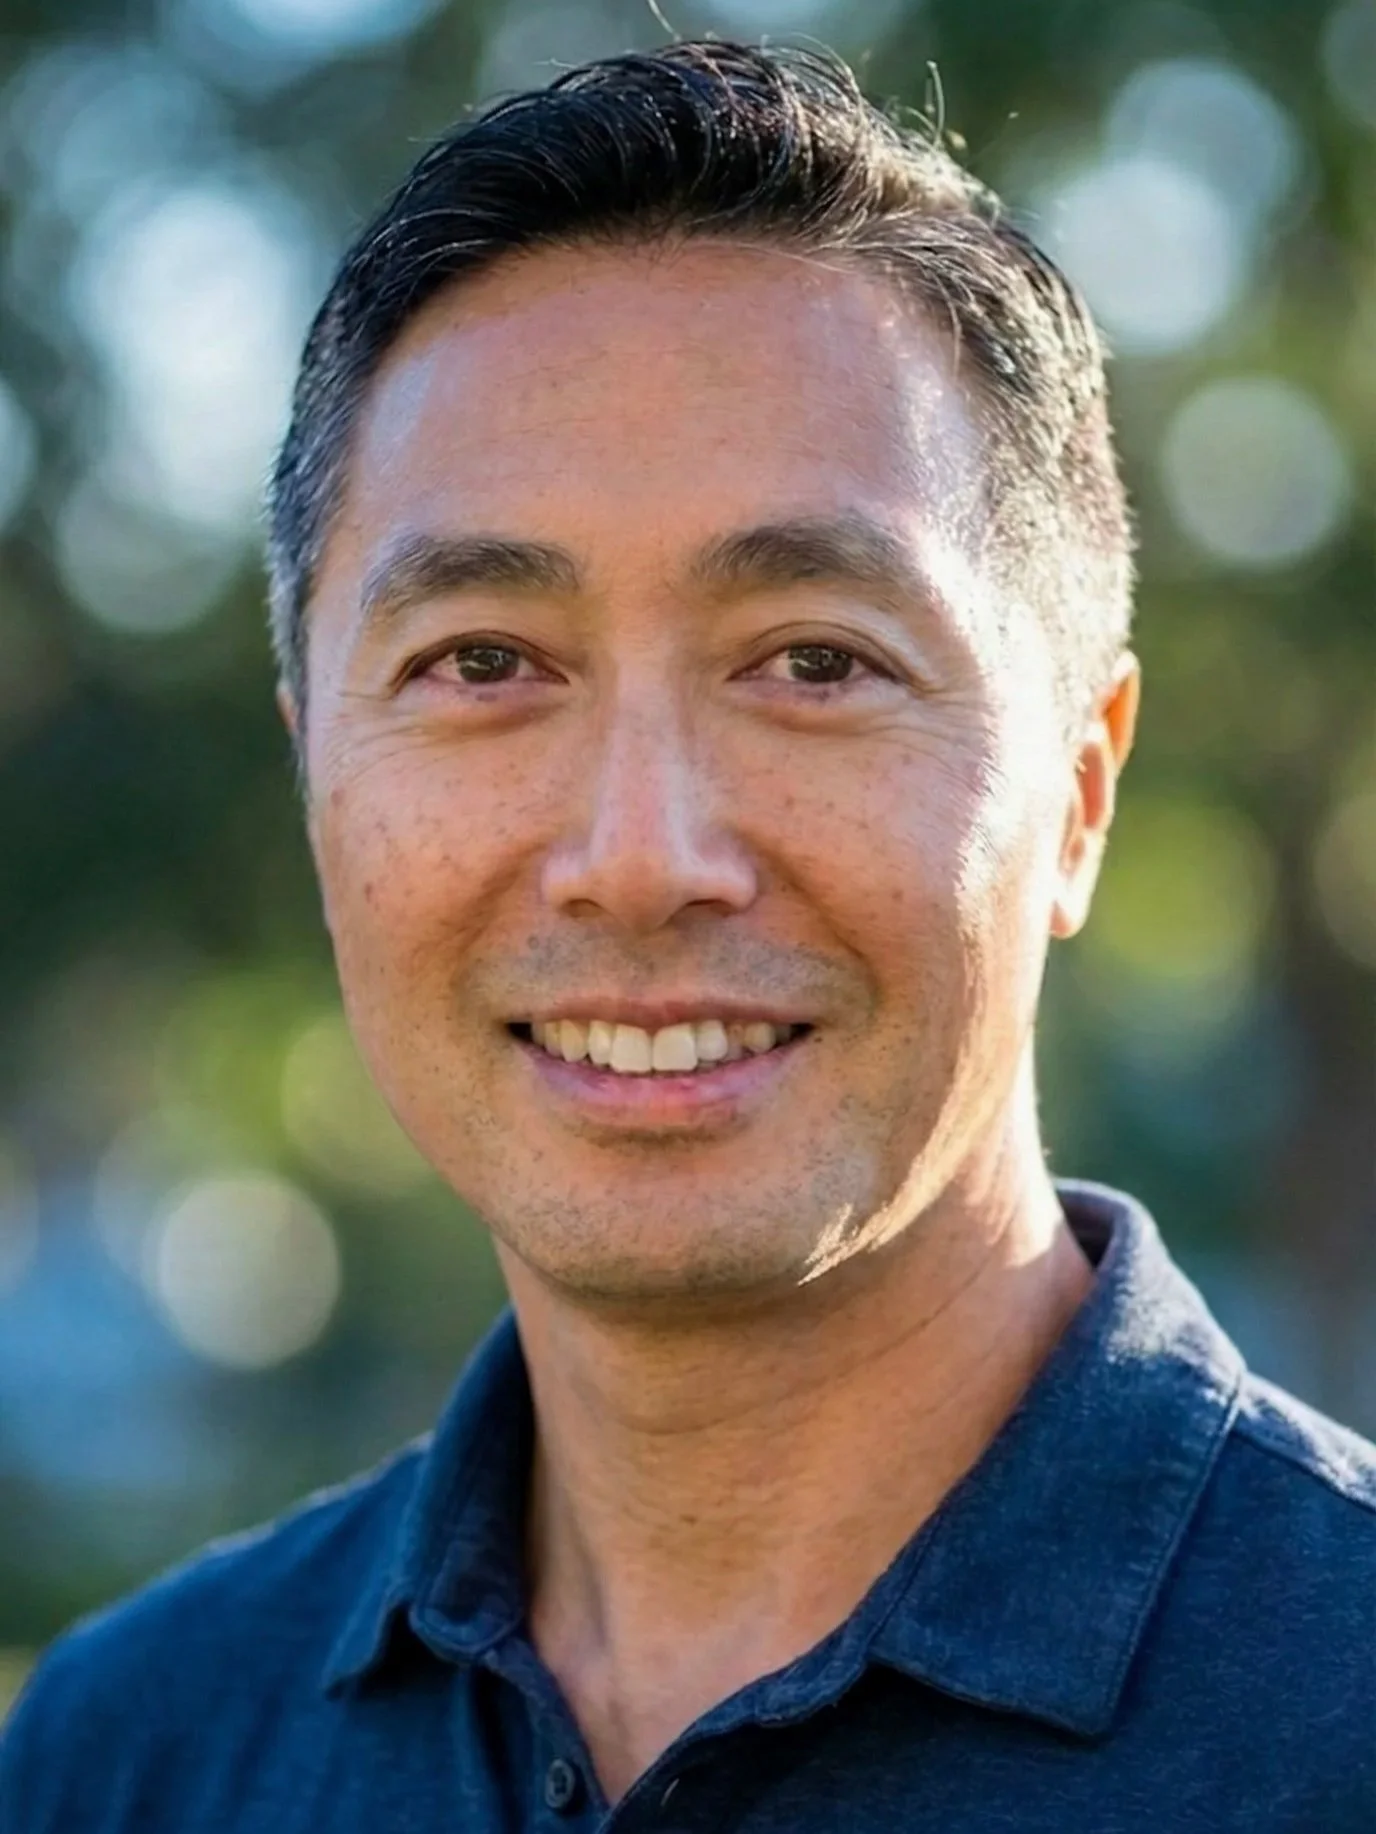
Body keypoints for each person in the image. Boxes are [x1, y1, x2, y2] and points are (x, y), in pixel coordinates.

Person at [4, 36, 1375, 1832]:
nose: (640, 859)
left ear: (1085, 792)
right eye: (483, 664)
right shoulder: (131, 1757)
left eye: (817, 661)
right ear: (319, 787)